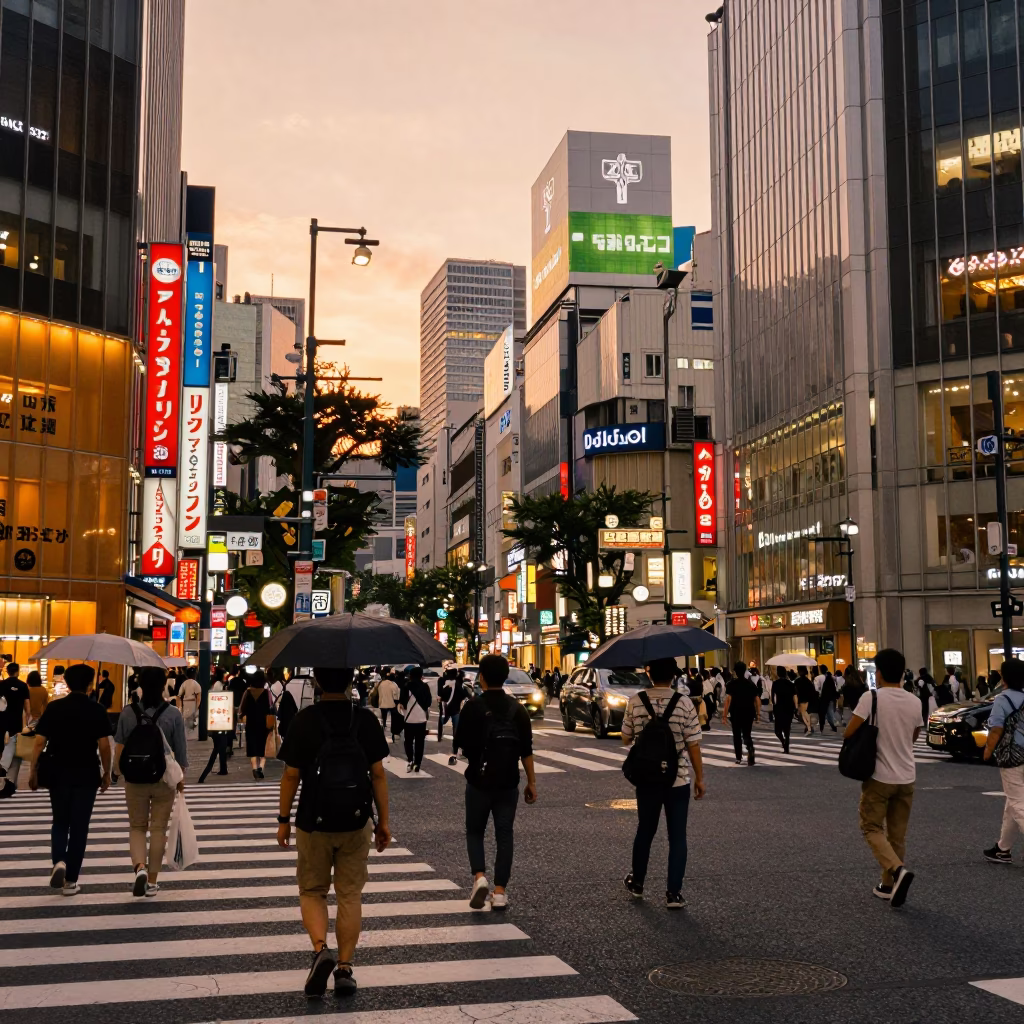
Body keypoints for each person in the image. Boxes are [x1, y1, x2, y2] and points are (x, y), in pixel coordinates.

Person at [277, 665, 391, 998]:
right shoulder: (364, 720)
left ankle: (320, 949)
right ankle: (344, 968)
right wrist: (383, 821)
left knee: (312, 890)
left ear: (316, 682)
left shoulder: (305, 720)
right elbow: (379, 775)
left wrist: (283, 818)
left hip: (314, 821)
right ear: (351, 681)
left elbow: (290, 776)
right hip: (356, 821)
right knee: (350, 895)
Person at [453, 654, 538, 911]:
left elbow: (463, 744)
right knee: (504, 834)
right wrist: (531, 782)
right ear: (505, 676)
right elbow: (526, 750)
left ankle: (479, 877)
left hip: (479, 780)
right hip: (508, 782)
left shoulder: (473, 707)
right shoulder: (517, 709)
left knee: (475, 831)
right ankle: (500, 891)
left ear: (481, 676)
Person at [621, 656, 705, 908]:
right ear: (673, 676)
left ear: (649, 674)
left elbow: (625, 738)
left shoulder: (636, 701)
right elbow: (694, 744)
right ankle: (673, 893)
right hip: (677, 779)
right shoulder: (684, 703)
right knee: (677, 836)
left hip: (646, 778)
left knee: (645, 831)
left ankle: (638, 884)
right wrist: (700, 778)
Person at [845, 647, 921, 908]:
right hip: (907, 775)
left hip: (879, 775)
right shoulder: (914, 701)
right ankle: (888, 885)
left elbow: (849, 732)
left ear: (878, 673)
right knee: (897, 835)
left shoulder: (872, 698)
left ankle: (897, 871)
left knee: (871, 827)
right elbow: (913, 736)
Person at [27, 665, 112, 895]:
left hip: (58, 771)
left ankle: (59, 862)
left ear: (66, 682)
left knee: (60, 821)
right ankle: (71, 880)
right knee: (79, 826)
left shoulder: (55, 708)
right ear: (90, 685)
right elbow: (104, 746)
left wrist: (33, 770)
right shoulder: (97, 709)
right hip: (86, 773)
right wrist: (107, 772)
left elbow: (38, 742)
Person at [113, 666, 187, 897]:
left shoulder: (128, 712)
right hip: (163, 778)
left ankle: (139, 868)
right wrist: (181, 779)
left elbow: (120, 746)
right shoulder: (173, 713)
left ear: (141, 686)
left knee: (137, 826)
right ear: (164, 685)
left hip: (134, 778)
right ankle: (152, 881)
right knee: (158, 828)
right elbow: (181, 753)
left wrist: (116, 772)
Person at [981, 658, 1024, 863]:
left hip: (1011, 756)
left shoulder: (1002, 699)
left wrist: (988, 749)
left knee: (1017, 802)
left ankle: (1002, 849)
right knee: (1012, 803)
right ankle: (1002, 848)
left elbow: (996, 728)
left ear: (1004, 677)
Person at [0, 662, 30, 797]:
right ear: (17, 671)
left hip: (2, 722)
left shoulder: (1, 685)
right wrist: (26, 721)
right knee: (16, 751)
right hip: (17, 723)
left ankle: (5, 777)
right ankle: (9, 780)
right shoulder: (23, 686)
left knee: (6, 748)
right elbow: (27, 707)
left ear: (7, 671)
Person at [723, 661, 760, 765]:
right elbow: (757, 700)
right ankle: (750, 747)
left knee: (737, 735)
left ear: (735, 672)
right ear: (744, 671)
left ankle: (738, 757)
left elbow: (728, 700)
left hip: (736, 712)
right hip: (749, 712)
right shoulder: (751, 684)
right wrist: (758, 714)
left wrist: (724, 715)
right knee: (747, 733)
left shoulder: (731, 684)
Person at [239, 670, 271, 780]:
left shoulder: (248, 692)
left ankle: (254, 768)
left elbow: (242, 708)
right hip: (263, 723)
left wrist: (241, 715)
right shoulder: (267, 692)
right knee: (262, 747)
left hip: (251, 723)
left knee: (252, 746)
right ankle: (261, 768)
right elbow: (271, 708)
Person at [399, 667, 431, 773]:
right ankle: (418, 763)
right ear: (421, 675)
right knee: (419, 742)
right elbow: (429, 702)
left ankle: (410, 760)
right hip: (421, 719)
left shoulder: (406, 686)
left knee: (408, 741)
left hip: (409, 719)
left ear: (410, 675)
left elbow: (402, 702)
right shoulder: (425, 687)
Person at [440, 669, 469, 764]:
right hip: (456, 709)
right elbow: (465, 695)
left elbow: (442, 696)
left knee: (443, 723)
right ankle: (455, 751)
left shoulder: (445, 684)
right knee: (456, 732)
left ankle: (441, 736)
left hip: (446, 709)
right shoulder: (457, 685)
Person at [771, 666, 798, 753]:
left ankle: (783, 742)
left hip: (779, 708)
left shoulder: (775, 683)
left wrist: (774, 705)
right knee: (787, 728)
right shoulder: (790, 684)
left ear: (778, 673)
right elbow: (795, 696)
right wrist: (796, 707)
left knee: (777, 730)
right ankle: (786, 745)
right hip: (789, 707)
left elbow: (773, 697)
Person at [376, 671, 401, 741]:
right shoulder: (392, 685)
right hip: (391, 704)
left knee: (384, 717)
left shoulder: (380, 684)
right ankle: (393, 733)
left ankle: (383, 728)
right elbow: (395, 696)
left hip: (382, 703)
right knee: (394, 718)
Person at [795, 666, 815, 735]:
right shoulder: (808, 681)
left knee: (803, 714)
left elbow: (795, 691)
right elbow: (812, 690)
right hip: (807, 699)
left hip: (801, 699)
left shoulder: (797, 681)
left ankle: (809, 728)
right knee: (805, 713)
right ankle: (809, 727)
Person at [818, 669, 839, 733]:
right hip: (830, 700)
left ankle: (823, 727)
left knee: (824, 714)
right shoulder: (832, 682)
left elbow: (824, 692)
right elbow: (834, 691)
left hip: (825, 700)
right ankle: (833, 726)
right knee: (830, 714)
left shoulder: (826, 682)